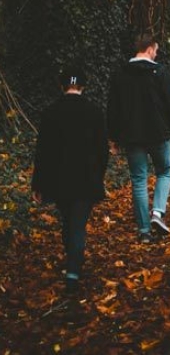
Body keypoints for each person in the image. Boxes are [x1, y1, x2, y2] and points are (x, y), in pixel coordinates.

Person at [31, 66, 109, 293]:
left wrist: (38, 183)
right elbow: (102, 150)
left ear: (61, 85)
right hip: (86, 178)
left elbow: (42, 152)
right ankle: (73, 271)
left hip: (59, 179)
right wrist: (99, 175)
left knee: (68, 220)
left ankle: (72, 261)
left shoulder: (50, 113)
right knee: (77, 224)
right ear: (83, 85)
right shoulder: (94, 112)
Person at [107, 34, 170, 243]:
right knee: (164, 172)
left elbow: (113, 108)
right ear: (149, 49)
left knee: (139, 180)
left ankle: (144, 231)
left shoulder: (121, 74)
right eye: (155, 50)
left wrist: (114, 136)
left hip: (132, 137)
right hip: (158, 133)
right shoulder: (160, 72)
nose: (156, 54)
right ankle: (157, 212)